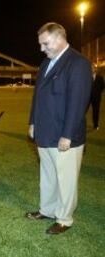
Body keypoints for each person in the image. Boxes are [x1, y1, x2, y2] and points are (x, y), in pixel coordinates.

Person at [27, 22, 92, 234]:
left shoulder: (78, 63)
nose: (41, 48)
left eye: (45, 43)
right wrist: (32, 122)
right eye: (39, 44)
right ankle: (46, 209)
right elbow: (38, 96)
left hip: (65, 135)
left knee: (66, 179)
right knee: (48, 175)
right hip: (44, 132)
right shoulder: (46, 63)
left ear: (59, 38)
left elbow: (78, 102)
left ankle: (64, 218)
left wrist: (68, 134)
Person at [90, 65, 104, 130]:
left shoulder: (100, 78)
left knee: (96, 111)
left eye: (93, 68)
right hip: (87, 97)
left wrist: (97, 92)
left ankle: (96, 125)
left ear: (95, 69)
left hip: (96, 98)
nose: (92, 69)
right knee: (82, 111)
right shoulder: (86, 77)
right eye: (91, 68)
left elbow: (103, 87)